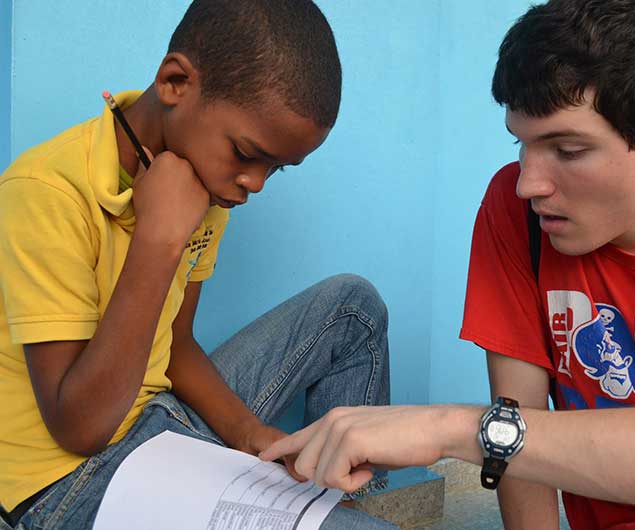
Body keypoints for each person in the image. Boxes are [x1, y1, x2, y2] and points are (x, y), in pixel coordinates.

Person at [261, 1, 635, 529]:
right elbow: (517, 420)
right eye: (522, 144)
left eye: (567, 150)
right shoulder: (517, 212)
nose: (529, 183)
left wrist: (449, 427)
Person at [0, 1, 397, 529]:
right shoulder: (45, 192)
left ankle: (325, 507)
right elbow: (80, 428)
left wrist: (251, 434)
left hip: (160, 425)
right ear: (175, 82)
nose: (253, 183)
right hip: (67, 480)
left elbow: (176, 345)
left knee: (354, 308)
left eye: (275, 170)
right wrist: (158, 239)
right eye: (245, 154)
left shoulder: (206, 183)